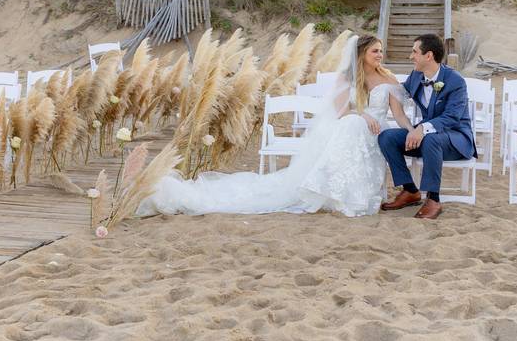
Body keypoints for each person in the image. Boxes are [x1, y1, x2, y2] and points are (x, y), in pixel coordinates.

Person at [138, 35, 413, 217]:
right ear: (363, 53)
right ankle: (342, 195)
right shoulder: (346, 78)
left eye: (380, 51)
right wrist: (363, 115)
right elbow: (341, 111)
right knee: (352, 123)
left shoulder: (387, 79)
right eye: (375, 51)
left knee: (357, 126)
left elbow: (398, 113)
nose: (380, 55)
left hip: (376, 132)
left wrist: (411, 129)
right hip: (356, 127)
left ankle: (358, 194)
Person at [377, 33, 476, 220]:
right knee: (387, 137)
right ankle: (410, 190)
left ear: (428, 56)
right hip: (428, 138)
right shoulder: (416, 76)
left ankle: (433, 199)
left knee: (430, 138)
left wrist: (421, 129)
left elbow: (452, 117)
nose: (411, 56)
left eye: (414, 52)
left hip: (455, 139)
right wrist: (377, 78)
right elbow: (400, 93)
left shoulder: (455, 81)